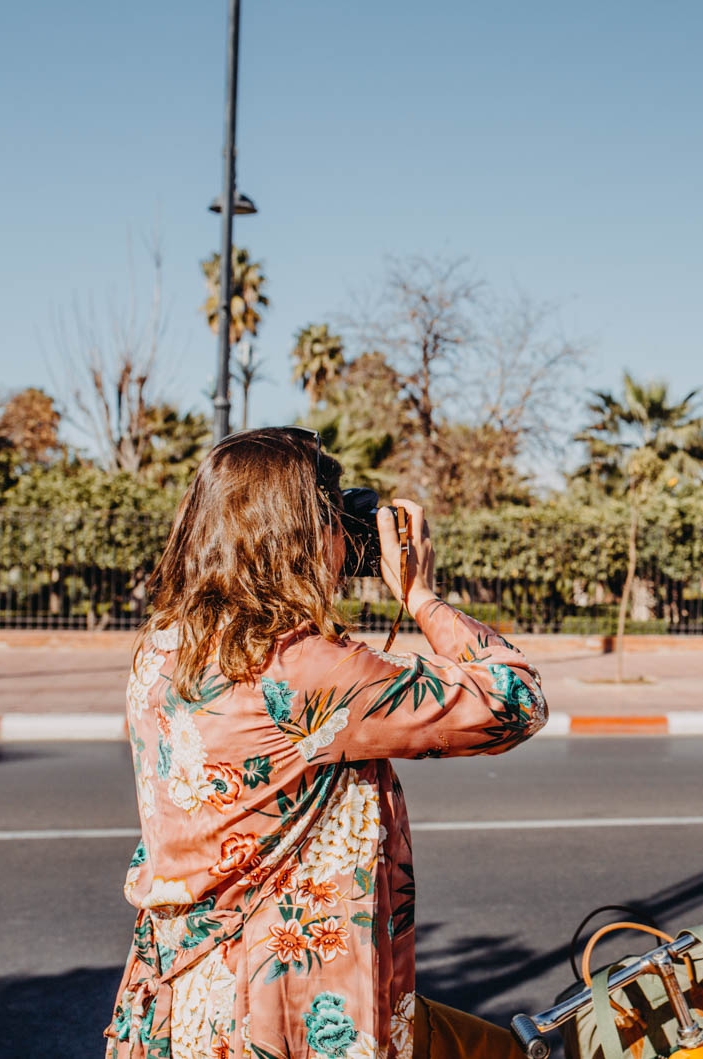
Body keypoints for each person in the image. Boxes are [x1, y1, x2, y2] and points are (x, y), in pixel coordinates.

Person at [105, 428, 545, 1059]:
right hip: (282, 1007)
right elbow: (515, 701)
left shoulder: (165, 644)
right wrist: (419, 593)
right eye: (334, 518)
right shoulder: (305, 669)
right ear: (300, 535)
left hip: (180, 995)